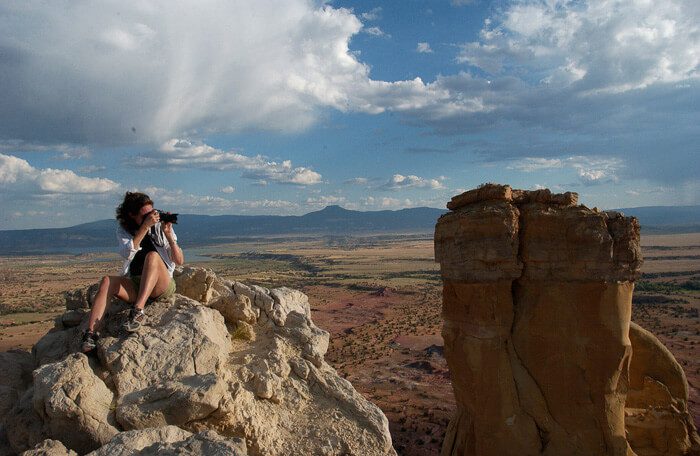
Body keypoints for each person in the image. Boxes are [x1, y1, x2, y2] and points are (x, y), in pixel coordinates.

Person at [81, 191, 184, 353]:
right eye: (145, 215)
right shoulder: (124, 231)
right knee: (108, 281)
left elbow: (179, 261)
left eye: (152, 213)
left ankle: (137, 311)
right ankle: (91, 335)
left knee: (152, 256)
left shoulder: (160, 227)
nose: (151, 217)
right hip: (137, 282)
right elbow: (127, 252)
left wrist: (169, 236)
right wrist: (144, 228)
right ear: (132, 215)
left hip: (162, 284)